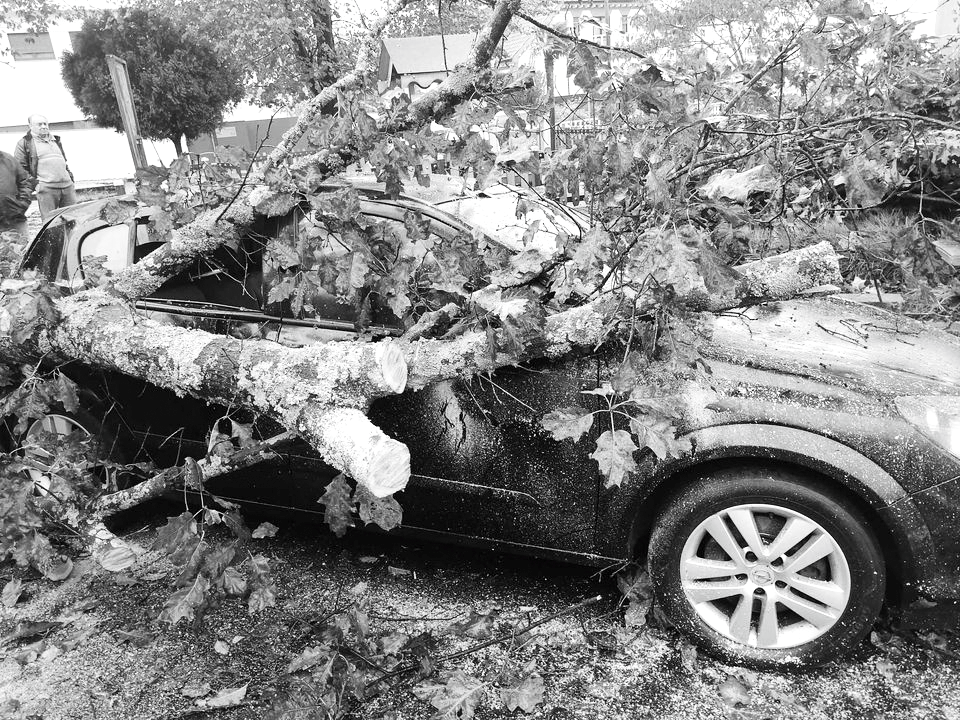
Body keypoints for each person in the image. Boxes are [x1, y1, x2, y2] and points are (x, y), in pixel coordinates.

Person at [14, 114, 76, 220]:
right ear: (30, 126)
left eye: (45, 123)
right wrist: (36, 184)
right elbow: (20, 169)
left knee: (73, 221)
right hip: (46, 190)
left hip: (67, 187)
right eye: (39, 124)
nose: (43, 126)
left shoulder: (56, 140)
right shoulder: (25, 143)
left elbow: (64, 162)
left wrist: (70, 178)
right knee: (51, 224)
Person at [0, 150, 31, 241]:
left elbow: (25, 182)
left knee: (24, 251)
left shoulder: (8, 159)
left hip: (16, 218)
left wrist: (22, 204)